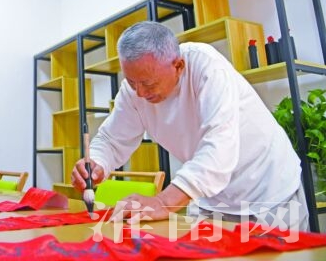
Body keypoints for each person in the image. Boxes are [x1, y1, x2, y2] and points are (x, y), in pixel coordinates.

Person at [71, 21, 309, 230]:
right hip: (211, 198)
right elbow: (111, 140)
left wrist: (163, 202)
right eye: (132, 82)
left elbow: (219, 148)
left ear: (178, 65)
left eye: (148, 83)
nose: (140, 93)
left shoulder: (207, 67)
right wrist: (97, 163)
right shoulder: (133, 91)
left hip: (268, 193)